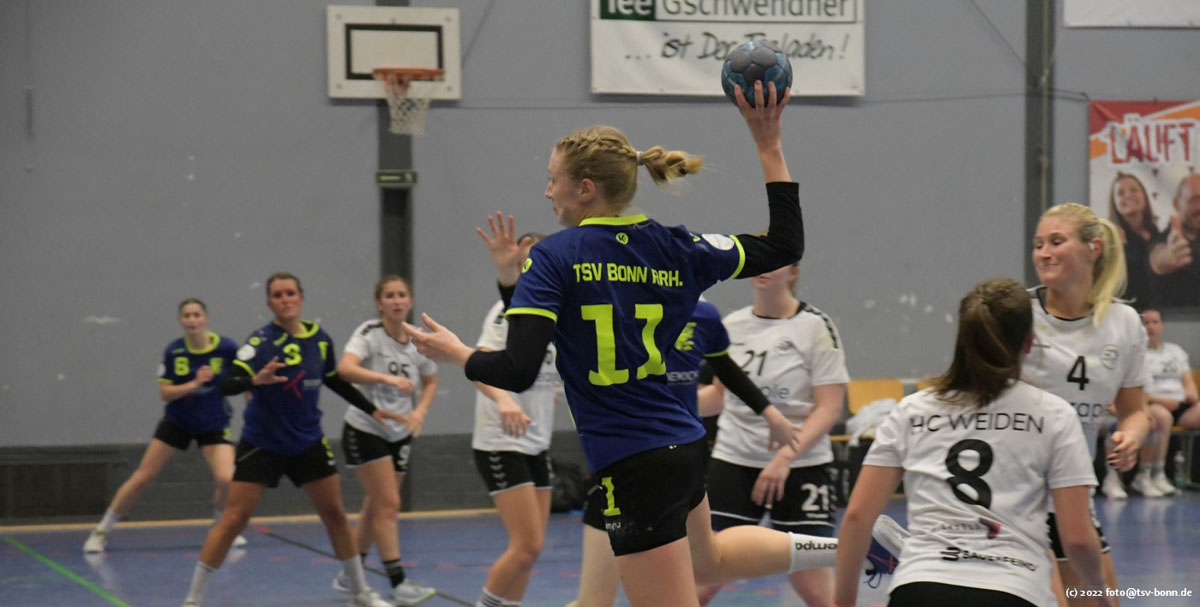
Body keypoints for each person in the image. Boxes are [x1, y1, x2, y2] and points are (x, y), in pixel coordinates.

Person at [404, 82, 899, 607]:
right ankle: (854, 546)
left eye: (553, 180)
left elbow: (517, 369)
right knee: (709, 561)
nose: (547, 192)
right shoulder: (678, 246)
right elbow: (784, 244)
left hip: (632, 461)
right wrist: (768, 143)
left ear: (585, 188)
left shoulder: (553, 257)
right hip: (683, 443)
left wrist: (458, 353)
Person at [833, 278, 1110, 607]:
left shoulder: (911, 411)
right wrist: (1100, 592)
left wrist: (843, 603)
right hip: (1013, 589)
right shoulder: (1054, 416)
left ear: (962, 341)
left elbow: (857, 518)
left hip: (919, 588)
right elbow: (1077, 539)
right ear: (1029, 342)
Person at [181, 273, 406, 607]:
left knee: (335, 515)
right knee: (233, 519)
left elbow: (333, 379)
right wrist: (255, 379)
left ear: (301, 297)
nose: (285, 299)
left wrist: (371, 409)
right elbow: (228, 383)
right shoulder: (261, 341)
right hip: (263, 443)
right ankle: (193, 599)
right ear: (269, 303)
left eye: (290, 293)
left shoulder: (319, 338)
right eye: (277, 295)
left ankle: (359, 591)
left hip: (307, 442)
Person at [567, 295, 804, 607]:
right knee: (707, 564)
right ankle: (844, 550)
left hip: (658, 462)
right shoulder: (619, 303)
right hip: (645, 461)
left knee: (701, 567)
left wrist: (769, 413)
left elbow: (725, 370)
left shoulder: (698, 313)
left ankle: (848, 550)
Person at [696, 261, 848, 606]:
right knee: (705, 574)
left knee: (813, 582)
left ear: (793, 272)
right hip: (735, 458)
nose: (762, 268)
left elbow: (828, 408)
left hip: (801, 464)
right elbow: (719, 395)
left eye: (774, 262)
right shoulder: (732, 325)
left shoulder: (816, 326)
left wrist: (784, 458)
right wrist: (666, 404)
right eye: (759, 261)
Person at [1024, 203, 1151, 606]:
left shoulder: (1124, 323)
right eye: (1038, 244)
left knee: (1099, 600)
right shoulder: (1018, 314)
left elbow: (1135, 411)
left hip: (1072, 494)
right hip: (1015, 493)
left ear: (1093, 248)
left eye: (1056, 242)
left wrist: (1130, 438)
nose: (1044, 253)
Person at [85, 299, 244, 553]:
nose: (192, 320)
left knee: (227, 478)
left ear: (205, 318)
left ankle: (221, 527)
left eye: (196, 315)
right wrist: (195, 384)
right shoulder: (174, 351)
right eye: (187, 315)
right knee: (143, 477)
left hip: (213, 422)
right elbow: (165, 393)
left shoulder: (226, 348)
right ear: (181, 320)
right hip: (178, 420)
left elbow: (244, 376)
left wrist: (251, 395)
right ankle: (101, 530)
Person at [331, 275, 439, 605]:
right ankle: (398, 582)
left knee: (375, 506)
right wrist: (385, 379)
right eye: (389, 295)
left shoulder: (418, 339)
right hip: (367, 428)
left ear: (410, 301)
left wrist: (420, 412)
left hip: (400, 431)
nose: (396, 300)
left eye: (401, 295)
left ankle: (350, 576)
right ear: (379, 303)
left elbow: (431, 380)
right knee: (388, 505)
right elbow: (345, 369)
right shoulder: (369, 334)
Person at [468, 221, 561, 607]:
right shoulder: (506, 312)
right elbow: (479, 365)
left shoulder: (554, 312)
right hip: (501, 441)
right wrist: (505, 400)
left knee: (530, 551)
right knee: (526, 546)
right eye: (524, 262)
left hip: (536, 440)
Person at [1133, 308, 1199, 494]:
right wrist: (1161, 400)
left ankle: (1192, 475)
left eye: (1155, 322)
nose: (1150, 327)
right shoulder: (1138, 354)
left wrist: (1192, 395)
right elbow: (1135, 390)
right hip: (1152, 403)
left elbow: (1188, 381)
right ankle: (1155, 473)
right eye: (1146, 323)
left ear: (1161, 326)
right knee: (1163, 417)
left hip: (1180, 405)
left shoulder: (1175, 351)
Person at [1106, 172, 1159, 307]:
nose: (1128, 195)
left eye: (1134, 190)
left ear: (1144, 196)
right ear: (1114, 203)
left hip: (1158, 312)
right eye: (1121, 193)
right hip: (1125, 311)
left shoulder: (1156, 234)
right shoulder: (1109, 238)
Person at [1148, 173, 1200, 307]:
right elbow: (1158, 258)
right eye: (1194, 200)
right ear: (1176, 203)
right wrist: (1169, 256)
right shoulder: (1160, 240)